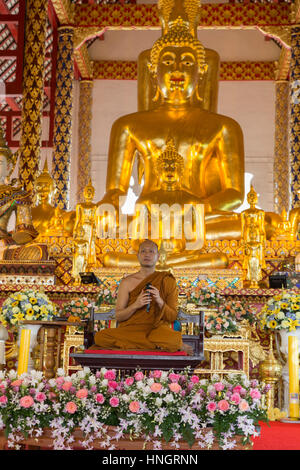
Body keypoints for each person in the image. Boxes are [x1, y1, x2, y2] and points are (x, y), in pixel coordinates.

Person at [93, 239, 187, 353]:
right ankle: (154, 345)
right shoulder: (127, 282)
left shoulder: (167, 280)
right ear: (137, 256)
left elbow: (172, 317)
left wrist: (159, 300)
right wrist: (135, 305)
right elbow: (119, 316)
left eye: (151, 251)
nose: (147, 254)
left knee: (170, 339)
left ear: (158, 256)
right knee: (100, 337)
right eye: (143, 251)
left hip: (156, 330)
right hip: (130, 330)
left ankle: (136, 345)